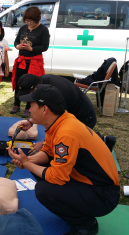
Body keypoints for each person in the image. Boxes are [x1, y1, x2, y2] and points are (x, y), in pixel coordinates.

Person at [8, 84, 120, 235]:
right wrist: (27, 160)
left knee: (43, 190)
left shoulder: (66, 133)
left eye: (31, 105)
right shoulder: (60, 121)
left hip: (104, 196)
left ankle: (86, 225)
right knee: (40, 169)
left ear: (44, 109)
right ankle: (75, 209)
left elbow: (57, 177)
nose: (28, 109)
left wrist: (27, 164)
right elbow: (47, 152)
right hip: (91, 184)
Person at [16, 74, 97, 129]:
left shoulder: (57, 91)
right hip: (71, 113)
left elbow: (59, 120)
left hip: (84, 118)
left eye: (28, 93)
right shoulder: (42, 82)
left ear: (35, 87)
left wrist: (43, 144)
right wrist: (31, 122)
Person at [11, 6, 50, 118]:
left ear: (37, 19)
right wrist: (17, 46)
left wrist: (31, 49)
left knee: (32, 85)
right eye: (27, 21)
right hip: (21, 60)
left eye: (31, 21)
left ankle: (28, 107)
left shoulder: (43, 30)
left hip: (34, 62)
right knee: (19, 82)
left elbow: (45, 46)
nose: (29, 23)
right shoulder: (23, 28)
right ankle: (16, 104)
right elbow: (16, 41)